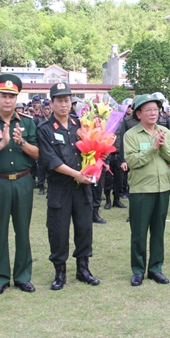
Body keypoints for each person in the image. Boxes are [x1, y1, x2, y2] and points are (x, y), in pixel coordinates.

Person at [0, 74, 39, 295]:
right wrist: (2, 143)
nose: (8, 101)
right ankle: (0, 277)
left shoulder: (28, 122)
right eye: (3, 96)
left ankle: (23, 276)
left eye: (12, 96)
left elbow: (38, 153)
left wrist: (21, 142)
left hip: (23, 181)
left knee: (23, 230)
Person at [37, 82, 99, 290]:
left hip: (82, 189)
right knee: (58, 231)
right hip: (60, 189)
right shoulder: (44, 129)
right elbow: (50, 160)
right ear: (52, 103)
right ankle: (59, 272)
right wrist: (76, 174)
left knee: (84, 229)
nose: (64, 104)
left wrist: (98, 157)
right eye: (59, 100)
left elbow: (91, 149)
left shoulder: (81, 125)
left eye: (67, 100)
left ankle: (83, 269)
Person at [125, 94, 170, 286]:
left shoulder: (165, 131)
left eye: (155, 109)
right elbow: (133, 161)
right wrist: (153, 148)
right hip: (141, 190)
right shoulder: (131, 135)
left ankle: (156, 268)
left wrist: (162, 146)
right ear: (138, 113)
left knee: (158, 231)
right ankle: (138, 270)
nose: (153, 113)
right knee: (139, 232)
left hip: (163, 188)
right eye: (148, 110)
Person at [34, 99, 52, 195]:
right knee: (41, 169)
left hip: (50, 147)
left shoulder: (52, 120)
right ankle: (41, 187)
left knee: (50, 170)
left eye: (48, 109)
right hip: (41, 147)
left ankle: (50, 188)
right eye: (45, 109)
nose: (47, 111)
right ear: (42, 109)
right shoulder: (37, 119)